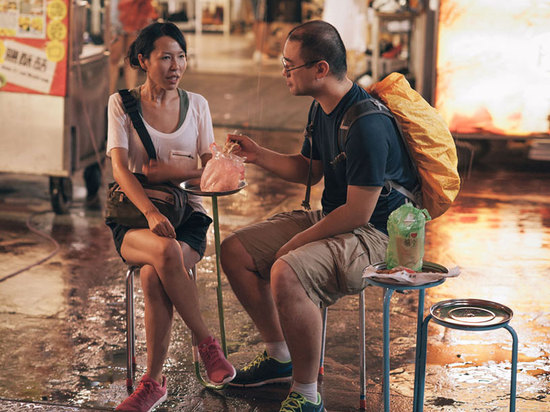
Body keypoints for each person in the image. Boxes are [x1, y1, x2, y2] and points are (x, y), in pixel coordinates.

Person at [220, 20, 417, 411]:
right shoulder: (322, 107)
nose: (284, 73)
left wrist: (295, 243)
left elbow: (360, 211)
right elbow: (310, 169)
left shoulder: (367, 123)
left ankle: (307, 394)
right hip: (339, 215)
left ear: (320, 69)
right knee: (234, 251)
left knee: (286, 270)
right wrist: (257, 154)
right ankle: (280, 357)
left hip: (378, 234)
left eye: (289, 65)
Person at [105, 22, 235, 412]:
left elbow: (213, 168)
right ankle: (207, 345)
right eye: (165, 57)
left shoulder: (197, 105)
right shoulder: (121, 103)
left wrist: (178, 173)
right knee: (162, 254)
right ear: (144, 60)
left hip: (188, 218)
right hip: (133, 219)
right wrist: (149, 210)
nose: (175, 65)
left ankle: (152, 384)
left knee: (154, 271)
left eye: (181, 56)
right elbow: (120, 169)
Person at [109, 0, 157, 94]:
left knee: (130, 59)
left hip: (135, 10)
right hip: (120, 11)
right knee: (114, 58)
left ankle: (132, 96)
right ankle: (110, 98)